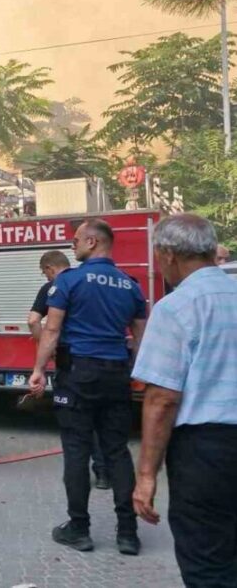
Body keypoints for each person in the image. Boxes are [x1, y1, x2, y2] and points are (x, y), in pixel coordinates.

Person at [28, 219, 148, 555]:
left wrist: (38, 370)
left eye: (77, 239)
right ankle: (128, 533)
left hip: (77, 375)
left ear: (93, 242)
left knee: (77, 450)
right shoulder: (130, 285)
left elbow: (51, 330)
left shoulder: (69, 280)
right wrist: (135, 372)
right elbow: (140, 337)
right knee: (117, 451)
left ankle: (79, 529)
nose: (73, 245)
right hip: (116, 376)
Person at [131, 215, 237, 587]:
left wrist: (146, 475)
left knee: (208, 563)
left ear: (168, 254)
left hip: (207, 453)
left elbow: (162, 399)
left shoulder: (176, 307)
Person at [27, 250, 110, 491]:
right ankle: (106, 472)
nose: (46, 277)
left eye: (45, 273)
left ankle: (83, 477)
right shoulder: (91, 283)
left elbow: (33, 320)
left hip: (71, 362)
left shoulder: (55, 286)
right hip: (106, 361)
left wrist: (44, 347)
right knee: (103, 418)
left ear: (50, 268)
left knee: (77, 420)